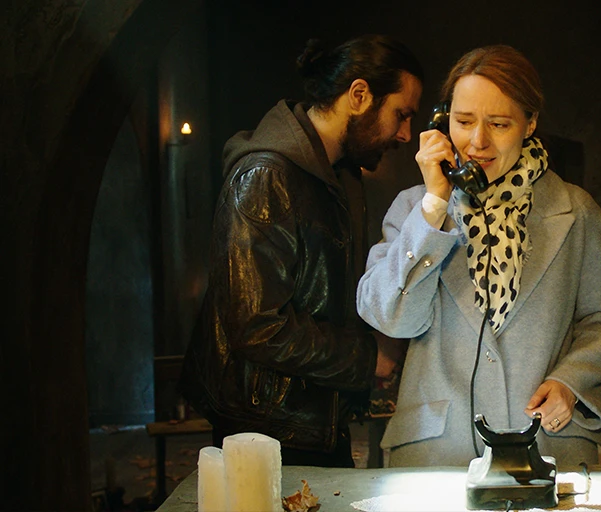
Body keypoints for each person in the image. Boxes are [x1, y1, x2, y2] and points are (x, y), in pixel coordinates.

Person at [356, 44, 601, 469]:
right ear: (442, 120)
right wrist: (434, 206)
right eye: (463, 121)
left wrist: (571, 380)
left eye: (500, 124)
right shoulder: (414, 210)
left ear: (530, 123)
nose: (477, 142)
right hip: (435, 451)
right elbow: (391, 317)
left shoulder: (576, 212)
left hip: (547, 446)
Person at [179, 34, 423, 467]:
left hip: (314, 419)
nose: (406, 134)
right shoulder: (265, 176)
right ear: (359, 95)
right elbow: (256, 326)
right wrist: (368, 357)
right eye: (400, 115)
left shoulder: (339, 175)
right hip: (264, 435)